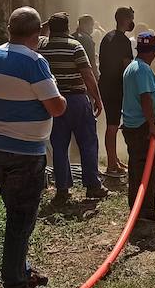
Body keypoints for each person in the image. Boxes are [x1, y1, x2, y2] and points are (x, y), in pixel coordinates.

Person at [0, 7, 67, 288]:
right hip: (25, 151)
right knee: (21, 221)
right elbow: (56, 107)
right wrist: (63, 98)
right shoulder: (34, 61)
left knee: (15, 213)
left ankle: (23, 271)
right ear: (36, 34)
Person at [38, 12, 108, 205]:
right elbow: (88, 74)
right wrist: (97, 98)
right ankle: (93, 186)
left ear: (51, 28)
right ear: (67, 28)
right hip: (77, 100)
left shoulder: (42, 46)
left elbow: (39, 32)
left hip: (54, 102)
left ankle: (62, 190)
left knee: (59, 146)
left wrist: (47, 24)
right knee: (88, 142)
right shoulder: (74, 46)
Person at [121, 31, 155, 223]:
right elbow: (145, 98)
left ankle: (136, 208)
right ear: (151, 52)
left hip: (133, 126)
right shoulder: (142, 70)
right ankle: (146, 211)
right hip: (141, 127)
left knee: (136, 168)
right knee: (148, 170)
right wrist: (151, 125)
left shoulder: (132, 67)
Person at [99, 7, 136, 175]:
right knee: (113, 125)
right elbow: (127, 67)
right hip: (116, 86)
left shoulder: (107, 37)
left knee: (112, 123)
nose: (132, 22)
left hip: (106, 85)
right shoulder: (123, 41)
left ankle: (114, 159)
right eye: (131, 18)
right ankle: (111, 165)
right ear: (124, 19)